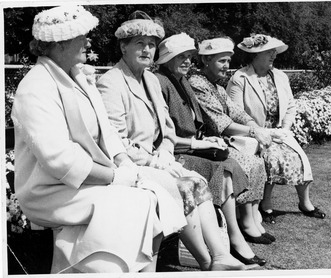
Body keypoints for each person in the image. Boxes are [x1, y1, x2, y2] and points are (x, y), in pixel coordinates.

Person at [11, 6, 188, 273]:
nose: (88, 41)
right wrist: (114, 177)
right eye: (81, 36)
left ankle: (136, 270)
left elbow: (107, 131)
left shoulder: (78, 77)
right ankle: (93, 267)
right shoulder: (35, 87)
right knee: (139, 200)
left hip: (83, 181)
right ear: (59, 44)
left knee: (157, 191)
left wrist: (123, 161)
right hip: (49, 191)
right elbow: (59, 159)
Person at [96, 11, 245, 271]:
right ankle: (208, 261)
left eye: (152, 45)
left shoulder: (151, 79)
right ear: (123, 46)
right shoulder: (110, 82)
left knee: (197, 182)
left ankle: (219, 256)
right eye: (139, 44)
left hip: (158, 160)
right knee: (184, 186)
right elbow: (116, 141)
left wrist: (165, 154)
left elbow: (166, 128)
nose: (147, 50)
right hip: (131, 166)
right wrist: (156, 161)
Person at [154, 32, 269, 265]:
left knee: (228, 163)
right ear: (166, 58)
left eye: (189, 56)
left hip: (191, 146)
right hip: (175, 152)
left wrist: (210, 138)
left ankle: (234, 236)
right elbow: (166, 135)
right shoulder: (161, 80)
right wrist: (202, 141)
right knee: (223, 169)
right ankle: (234, 241)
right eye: (180, 56)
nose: (187, 61)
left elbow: (220, 114)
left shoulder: (182, 79)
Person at [226, 33, 326, 223]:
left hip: (280, 131)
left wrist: (285, 129)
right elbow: (235, 112)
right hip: (254, 133)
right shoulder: (240, 78)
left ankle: (305, 203)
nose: (273, 55)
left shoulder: (279, 76)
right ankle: (266, 205)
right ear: (255, 54)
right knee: (271, 158)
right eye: (268, 52)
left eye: (274, 52)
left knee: (299, 158)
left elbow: (290, 105)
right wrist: (260, 131)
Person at [187, 38, 273, 241]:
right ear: (206, 60)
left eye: (228, 61)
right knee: (250, 162)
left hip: (221, 140)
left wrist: (255, 127)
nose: (227, 67)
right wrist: (253, 133)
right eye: (221, 61)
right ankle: (245, 221)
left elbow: (237, 113)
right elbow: (221, 123)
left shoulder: (217, 87)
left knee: (258, 160)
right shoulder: (198, 84)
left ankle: (252, 217)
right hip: (206, 143)